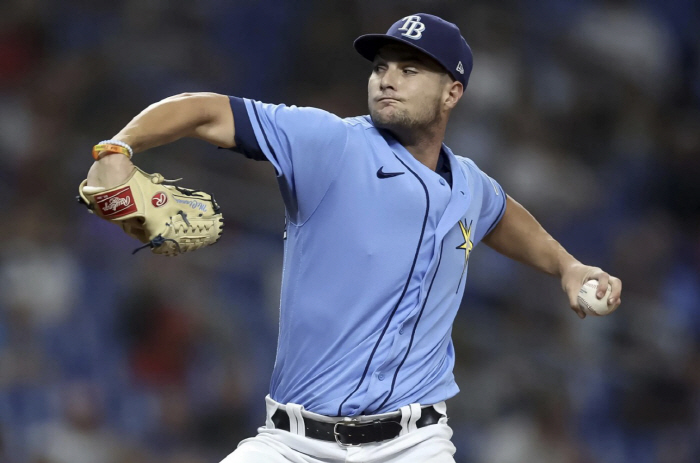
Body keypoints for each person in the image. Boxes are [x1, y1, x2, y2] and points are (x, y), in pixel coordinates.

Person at [86, 13, 622, 463]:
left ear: (452, 93)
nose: (387, 79)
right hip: (294, 444)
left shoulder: (471, 184)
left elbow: (503, 218)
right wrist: (116, 149)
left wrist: (567, 266)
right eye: (382, 67)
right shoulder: (331, 143)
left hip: (415, 443)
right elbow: (204, 109)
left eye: (410, 70)